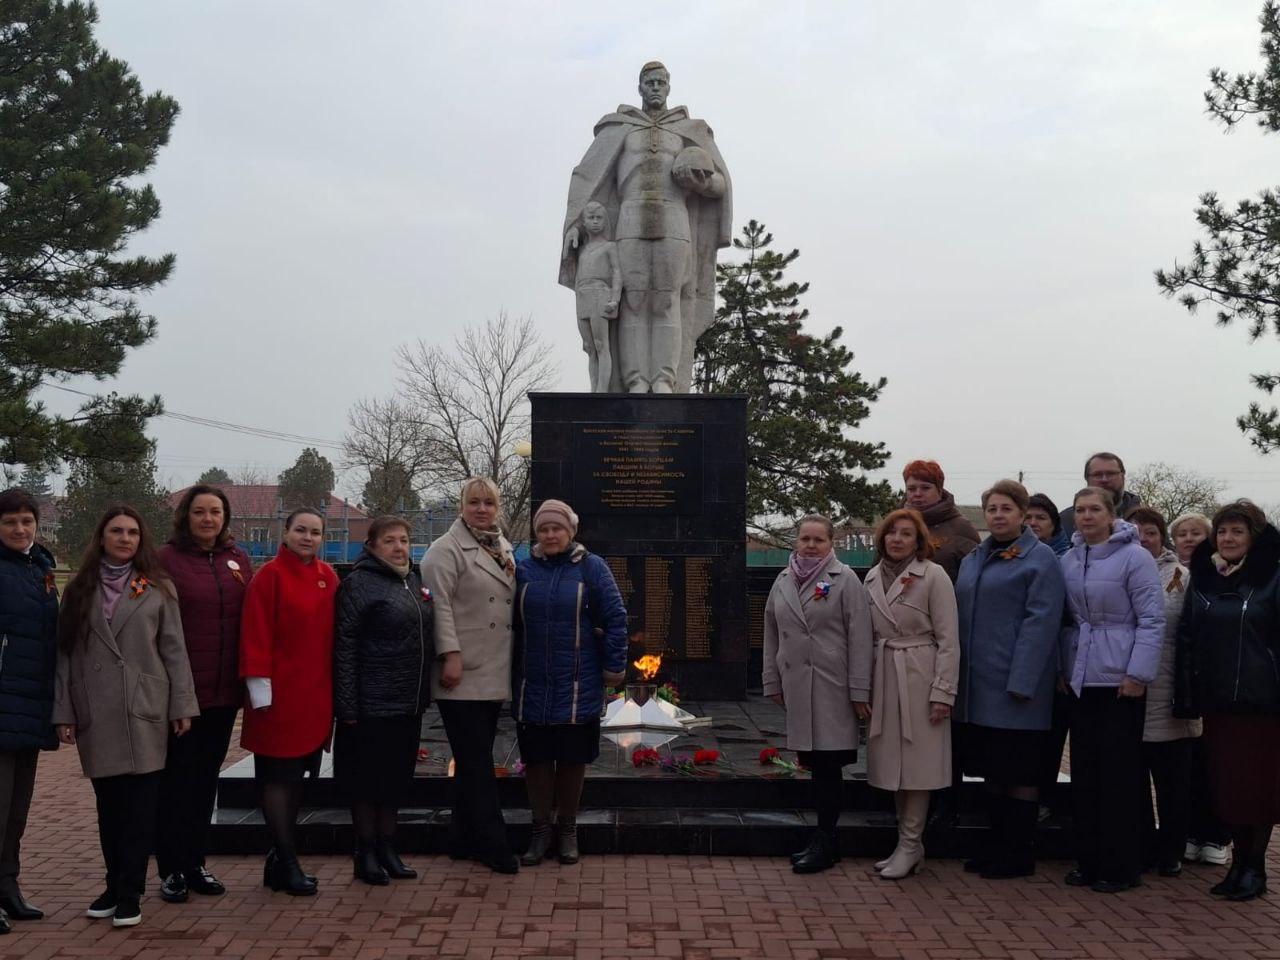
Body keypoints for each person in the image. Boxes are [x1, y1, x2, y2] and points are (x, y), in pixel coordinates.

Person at [52, 506, 199, 928]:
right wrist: (64, 711)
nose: (124, 538)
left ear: (141, 539)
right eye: (116, 531)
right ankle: (113, 885)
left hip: (144, 709)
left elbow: (174, 649)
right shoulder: (79, 589)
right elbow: (65, 654)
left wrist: (182, 705)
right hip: (97, 710)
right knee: (109, 807)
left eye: (132, 532)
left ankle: (130, 892)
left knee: (140, 809)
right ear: (101, 537)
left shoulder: (156, 587)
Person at [559, 61, 732, 393]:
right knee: (633, 301)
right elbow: (588, 179)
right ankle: (636, 380)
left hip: (674, 218)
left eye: (660, 82)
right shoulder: (620, 128)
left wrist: (700, 181)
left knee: (667, 300)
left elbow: (721, 184)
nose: (655, 88)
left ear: (669, 87)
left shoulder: (689, 131)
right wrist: (575, 224)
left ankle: (664, 379)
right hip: (630, 217)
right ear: (640, 87)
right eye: (649, 82)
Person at [953, 479, 1065, 880]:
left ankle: (1018, 853)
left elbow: (1041, 622)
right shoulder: (974, 558)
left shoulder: (1041, 559)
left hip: (1017, 689)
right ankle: (996, 847)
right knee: (993, 772)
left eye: (1006, 508)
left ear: (1022, 514)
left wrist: (1022, 681)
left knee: (1019, 774)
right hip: (977, 687)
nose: (998, 515)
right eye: (992, 509)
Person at [1175, 499, 1280, 901]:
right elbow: (1187, 634)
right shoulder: (1204, 578)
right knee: (1229, 787)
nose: (1228, 538)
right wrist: (1189, 692)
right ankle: (1238, 864)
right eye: (1222, 531)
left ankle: (1255, 867)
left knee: (1258, 788)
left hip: (1263, 703)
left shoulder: (1272, 578)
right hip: (1218, 701)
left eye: (1238, 531)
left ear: (1254, 537)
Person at [513, 499, 627, 866]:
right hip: (532, 682)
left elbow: (615, 617)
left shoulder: (592, 568)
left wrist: (613, 667)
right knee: (537, 759)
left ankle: (567, 829)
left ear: (570, 531)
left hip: (578, 683)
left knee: (572, 758)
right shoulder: (523, 569)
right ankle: (539, 830)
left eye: (556, 528)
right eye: (543, 529)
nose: (550, 535)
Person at [1061, 488, 1164, 893]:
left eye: (1094, 509)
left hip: (1121, 682)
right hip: (1082, 678)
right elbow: (1067, 620)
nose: (1086, 516)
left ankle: (1121, 865)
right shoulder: (1070, 559)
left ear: (1111, 514)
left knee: (1119, 776)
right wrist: (1065, 667)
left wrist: (1137, 673)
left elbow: (1151, 620)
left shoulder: (1136, 558)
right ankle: (1088, 859)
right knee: (1085, 773)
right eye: (1080, 510)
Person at [155, 484, 253, 904]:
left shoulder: (238, 560)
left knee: (205, 781)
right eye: (200, 512)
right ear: (186, 517)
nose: (208, 519)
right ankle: (171, 869)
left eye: (215, 511)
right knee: (176, 781)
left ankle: (195, 863)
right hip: (181, 694)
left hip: (223, 693)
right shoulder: (165, 560)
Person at [763, 514, 873, 875]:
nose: (810, 546)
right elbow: (771, 633)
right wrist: (772, 680)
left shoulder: (846, 580)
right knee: (814, 764)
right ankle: (824, 840)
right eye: (805, 539)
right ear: (796, 541)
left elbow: (860, 637)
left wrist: (859, 689)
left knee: (829, 765)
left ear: (831, 543)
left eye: (818, 540)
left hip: (832, 688)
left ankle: (826, 840)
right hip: (798, 686)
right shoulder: (783, 580)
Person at [420, 477, 519, 873]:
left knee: (471, 758)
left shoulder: (500, 544)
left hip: (492, 668)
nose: (481, 509)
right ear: (462, 505)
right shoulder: (444, 551)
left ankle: (462, 838)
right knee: (477, 761)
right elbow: (439, 607)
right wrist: (450, 655)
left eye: (489, 503)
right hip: (461, 671)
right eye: (474, 502)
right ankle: (494, 843)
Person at [239, 507, 336, 896]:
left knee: (297, 780)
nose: (308, 538)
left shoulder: (328, 577)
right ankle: (288, 860)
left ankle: (278, 861)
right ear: (286, 533)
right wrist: (260, 689)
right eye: (301, 530)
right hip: (277, 698)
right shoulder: (270, 576)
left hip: (314, 695)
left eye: (315, 532)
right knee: (278, 778)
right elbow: (256, 632)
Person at [334, 516, 434, 885]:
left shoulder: (413, 580)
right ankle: (365, 852)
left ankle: (388, 847)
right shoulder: (359, 583)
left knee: (394, 779)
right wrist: (347, 705)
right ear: (372, 546)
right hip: (370, 702)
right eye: (389, 540)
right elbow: (345, 647)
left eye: (404, 540)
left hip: (407, 700)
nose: (399, 547)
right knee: (367, 782)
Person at [863, 509, 959, 880]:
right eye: (892, 533)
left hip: (921, 674)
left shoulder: (934, 575)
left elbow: (949, 639)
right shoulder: (872, 576)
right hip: (885, 673)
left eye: (906, 533)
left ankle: (910, 843)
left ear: (919, 541)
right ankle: (907, 844)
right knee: (893, 765)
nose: (897, 539)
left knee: (919, 765)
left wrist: (943, 692)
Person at [1129, 506, 1201, 878]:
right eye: (1135, 532)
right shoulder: (1118, 572)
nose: (1143, 539)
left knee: (1173, 782)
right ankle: (1142, 846)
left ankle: (1172, 850)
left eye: (1151, 532)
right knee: (1133, 781)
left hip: (1172, 692)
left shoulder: (1182, 577)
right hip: (1129, 693)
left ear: (1162, 538)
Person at [0, 489, 59, 930]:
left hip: (31, 702)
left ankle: (8, 886)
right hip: (4, 701)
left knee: (17, 809)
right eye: (9, 522)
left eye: (26, 521)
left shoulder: (40, 566)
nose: (20, 529)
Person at [1170, 511, 1231, 865]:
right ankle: (1191, 831)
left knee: (1214, 763)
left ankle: (1217, 835)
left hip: (1215, 680)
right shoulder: (1171, 574)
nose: (1189, 539)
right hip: (1181, 679)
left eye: (1196, 533)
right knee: (1188, 764)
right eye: (1183, 534)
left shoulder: (1222, 573)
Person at [901, 460, 980, 582]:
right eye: (911, 489)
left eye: (925, 488)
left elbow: (976, 577)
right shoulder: (895, 525)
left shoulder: (960, 528)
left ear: (939, 491)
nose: (918, 494)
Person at [572, 201, 622, 392]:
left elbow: (617, 272)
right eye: (591, 218)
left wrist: (615, 299)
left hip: (600, 294)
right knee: (589, 347)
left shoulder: (609, 246)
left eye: (598, 218)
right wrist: (573, 232)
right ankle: (593, 389)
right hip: (582, 296)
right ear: (584, 222)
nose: (595, 221)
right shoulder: (582, 249)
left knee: (601, 345)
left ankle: (602, 391)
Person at [1059, 452, 1142, 539]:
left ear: (1123, 477)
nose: (1104, 480)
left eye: (1111, 474)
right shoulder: (1064, 522)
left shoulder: (1145, 519)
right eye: (1097, 475)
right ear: (1087, 479)